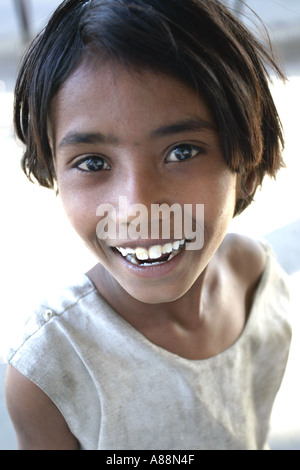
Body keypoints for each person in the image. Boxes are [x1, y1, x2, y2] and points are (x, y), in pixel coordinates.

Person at [5, 0, 291, 450]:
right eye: (93, 162)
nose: (137, 206)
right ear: (53, 172)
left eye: (182, 151)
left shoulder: (257, 280)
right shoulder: (51, 367)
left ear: (247, 161)